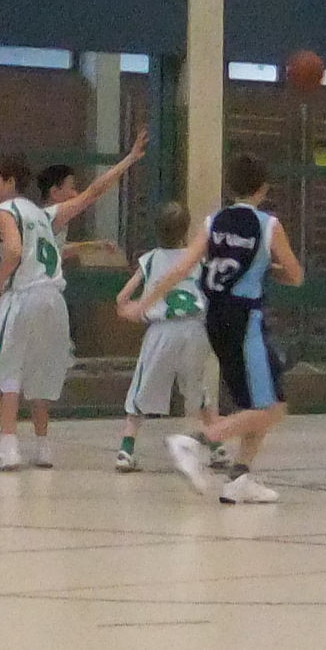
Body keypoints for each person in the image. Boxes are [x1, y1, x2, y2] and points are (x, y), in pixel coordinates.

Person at [0, 132, 147, 469]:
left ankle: (7, 447)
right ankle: (42, 447)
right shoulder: (43, 215)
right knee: (42, 372)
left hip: (23, 295)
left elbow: (14, 251)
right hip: (54, 300)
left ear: (10, 182)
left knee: (5, 370)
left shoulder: (4, 210)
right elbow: (94, 192)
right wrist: (129, 159)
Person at [171, 151, 301, 504]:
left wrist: (144, 301)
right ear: (264, 188)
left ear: (229, 187)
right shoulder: (268, 224)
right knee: (272, 407)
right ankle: (196, 442)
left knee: (252, 404)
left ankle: (239, 477)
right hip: (246, 321)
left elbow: (186, 265)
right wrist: (269, 268)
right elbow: (296, 274)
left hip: (215, 317)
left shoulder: (213, 221)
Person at [111, 198, 208, 470]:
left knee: (141, 389)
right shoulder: (196, 258)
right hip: (195, 329)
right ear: (186, 229)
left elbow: (122, 297)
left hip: (162, 331)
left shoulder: (151, 259)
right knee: (196, 388)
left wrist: (128, 309)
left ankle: (126, 450)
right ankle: (218, 447)